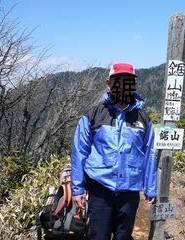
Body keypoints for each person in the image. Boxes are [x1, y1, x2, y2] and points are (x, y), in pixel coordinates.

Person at [70, 63, 157, 240]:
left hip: (129, 192)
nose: (123, 85)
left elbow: (150, 153)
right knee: (98, 236)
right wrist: (78, 189)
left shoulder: (143, 120)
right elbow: (80, 152)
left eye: (128, 81)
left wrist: (150, 187)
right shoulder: (93, 115)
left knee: (123, 236)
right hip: (100, 190)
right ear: (108, 84)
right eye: (118, 81)